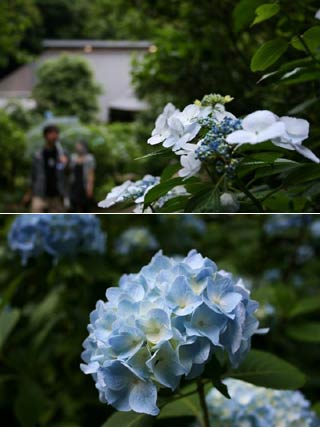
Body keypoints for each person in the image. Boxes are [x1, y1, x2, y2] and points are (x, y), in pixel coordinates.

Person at [24, 125, 69, 212]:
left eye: (56, 133)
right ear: (45, 136)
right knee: (35, 220)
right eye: (51, 133)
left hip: (57, 195)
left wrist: (66, 164)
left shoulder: (62, 154)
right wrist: (28, 193)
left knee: (56, 222)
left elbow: (68, 173)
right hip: (39, 194)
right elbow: (33, 176)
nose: (54, 136)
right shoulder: (38, 155)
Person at [69, 141, 96, 212]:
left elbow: (91, 173)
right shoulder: (73, 157)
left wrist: (90, 187)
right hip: (74, 185)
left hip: (84, 185)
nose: (77, 147)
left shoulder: (89, 158)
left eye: (79, 146)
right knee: (73, 205)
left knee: (85, 206)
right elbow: (69, 170)